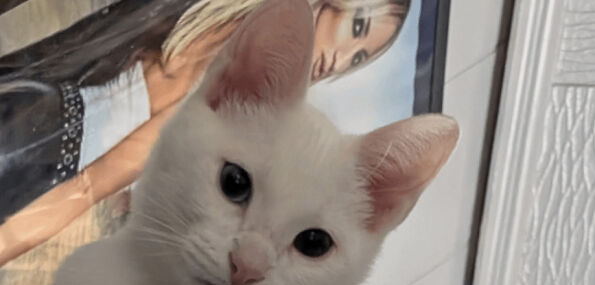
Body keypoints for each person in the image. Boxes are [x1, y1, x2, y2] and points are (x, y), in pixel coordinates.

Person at [0, 0, 411, 266]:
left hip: (35, 115)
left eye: (360, 56)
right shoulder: (222, 81)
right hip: (42, 146)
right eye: (357, 28)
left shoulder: (211, 32)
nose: (340, 59)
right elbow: (89, 185)